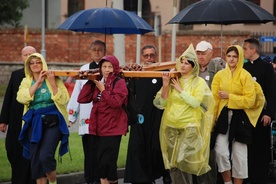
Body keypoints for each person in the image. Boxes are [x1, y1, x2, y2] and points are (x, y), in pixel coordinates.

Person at [153, 44, 214, 183]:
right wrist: (166, 85)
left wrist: (180, 90)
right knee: (173, 163)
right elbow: (160, 104)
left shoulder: (199, 83)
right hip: (171, 127)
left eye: (187, 63)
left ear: (193, 66)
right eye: (182, 61)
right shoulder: (174, 79)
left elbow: (195, 103)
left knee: (183, 161)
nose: (183, 65)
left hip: (189, 128)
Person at [211, 45, 265, 184]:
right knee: (220, 151)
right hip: (223, 116)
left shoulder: (245, 75)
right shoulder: (219, 75)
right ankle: (227, 182)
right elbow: (214, 100)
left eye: (235, 56)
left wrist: (230, 96)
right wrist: (211, 121)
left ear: (240, 57)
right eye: (229, 56)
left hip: (240, 117)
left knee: (240, 155)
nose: (231, 59)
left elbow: (249, 101)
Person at [17, 53, 70, 184]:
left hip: (53, 120)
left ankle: (52, 182)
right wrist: (37, 84)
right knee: (35, 160)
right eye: (32, 62)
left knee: (45, 156)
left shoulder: (53, 78)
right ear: (28, 66)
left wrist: (52, 83)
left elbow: (64, 99)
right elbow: (21, 98)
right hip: (34, 122)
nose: (35, 65)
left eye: (38, 62)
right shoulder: (26, 81)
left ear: (43, 64)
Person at [124, 45, 171, 184]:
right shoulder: (136, 73)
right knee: (139, 147)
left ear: (156, 56)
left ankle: (164, 174)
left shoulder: (164, 72)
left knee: (157, 148)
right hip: (140, 117)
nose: (149, 58)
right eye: (146, 55)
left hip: (158, 116)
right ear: (142, 57)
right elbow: (129, 95)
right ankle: (143, 179)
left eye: (152, 55)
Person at [77, 55, 128, 184]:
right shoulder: (98, 81)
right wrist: (90, 80)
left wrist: (103, 90)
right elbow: (82, 99)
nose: (107, 69)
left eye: (110, 67)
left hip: (113, 129)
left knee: (107, 164)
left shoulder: (119, 82)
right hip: (97, 128)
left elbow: (116, 103)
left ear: (115, 68)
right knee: (100, 165)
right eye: (104, 66)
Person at [67, 40, 106, 184]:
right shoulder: (84, 69)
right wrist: (72, 115)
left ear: (105, 52)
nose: (97, 52)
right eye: (94, 50)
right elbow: (77, 93)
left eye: (100, 50)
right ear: (90, 52)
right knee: (89, 151)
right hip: (87, 116)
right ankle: (90, 179)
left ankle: (102, 178)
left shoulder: (109, 69)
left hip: (104, 117)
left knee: (102, 152)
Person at [0, 46, 36, 184]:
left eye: (31, 54)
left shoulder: (40, 74)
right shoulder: (16, 74)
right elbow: (8, 97)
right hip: (16, 119)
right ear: (21, 57)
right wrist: (3, 120)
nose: (28, 57)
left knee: (30, 151)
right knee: (12, 149)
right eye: (25, 54)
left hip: (33, 120)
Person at [243, 38, 276, 184]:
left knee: (261, 150)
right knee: (247, 150)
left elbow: (272, 92)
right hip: (246, 115)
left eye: (245, 48)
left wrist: (269, 113)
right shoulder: (244, 69)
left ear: (253, 50)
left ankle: (261, 179)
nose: (243, 51)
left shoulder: (266, 68)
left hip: (262, 116)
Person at [194, 41, 224, 184]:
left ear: (211, 53)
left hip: (211, 117)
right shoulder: (193, 69)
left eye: (203, 53)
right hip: (194, 116)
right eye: (198, 53)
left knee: (209, 152)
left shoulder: (218, 69)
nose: (200, 57)